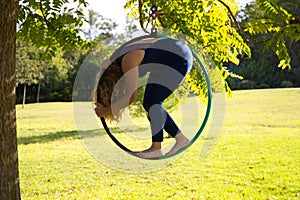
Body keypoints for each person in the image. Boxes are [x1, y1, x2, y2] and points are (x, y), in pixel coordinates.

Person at [94, 37, 193, 159]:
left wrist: (105, 110)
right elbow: (106, 65)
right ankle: (181, 139)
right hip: (167, 60)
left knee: (153, 102)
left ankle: (156, 148)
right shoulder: (115, 61)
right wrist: (103, 69)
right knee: (149, 102)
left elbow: (130, 96)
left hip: (178, 57)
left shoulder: (127, 61)